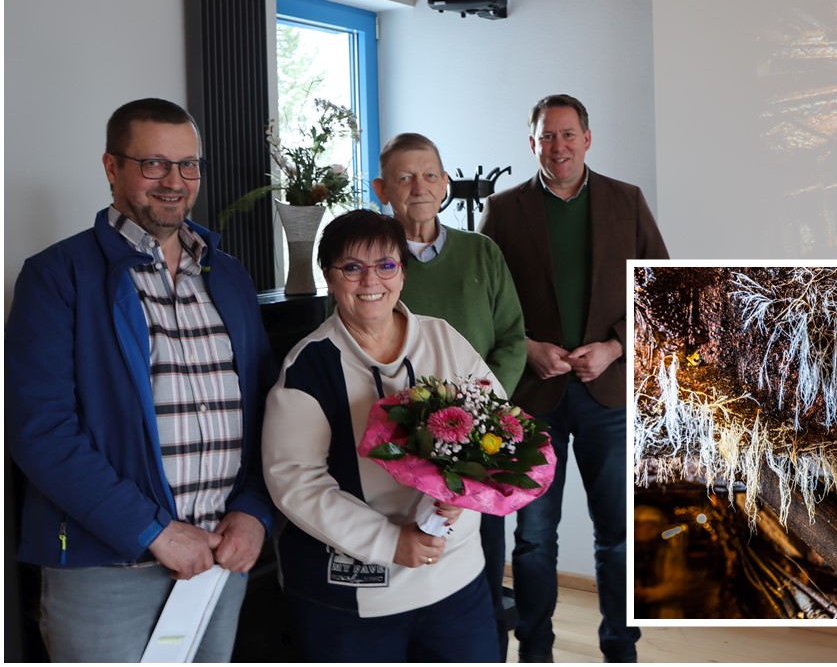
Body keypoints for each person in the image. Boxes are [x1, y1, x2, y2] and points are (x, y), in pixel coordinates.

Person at [5, 97, 275, 662]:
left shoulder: (227, 276)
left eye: (188, 165)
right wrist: (154, 530)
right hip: (105, 569)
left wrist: (252, 509)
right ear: (112, 168)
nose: (174, 182)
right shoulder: (57, 277)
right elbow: (40, 431)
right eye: (154, 164)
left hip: (220, 558)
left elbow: (264, 407)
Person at [479, 94, 669, 663]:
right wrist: (528, 347)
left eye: (567, 135)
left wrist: (614, 347)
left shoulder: (626, 202)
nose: (557, 146)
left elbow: (662, 293)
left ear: (588, 138)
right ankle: (535, 650)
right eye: (546, 136)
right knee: (534, 540)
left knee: (618, 535)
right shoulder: (504, 210)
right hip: (534, 397)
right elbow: (488, 302)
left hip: (607, 395)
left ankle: (620, 649)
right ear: (530, 142)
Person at [261, 210, 499, 662]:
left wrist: (465, 490)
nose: (371, 279)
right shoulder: (309, 367)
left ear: (402, 273)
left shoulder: (443, 338)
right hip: (356, 599)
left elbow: (498, 426)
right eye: (352, 267)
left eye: (386, 264)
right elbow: (297, 483)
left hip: (455, 581)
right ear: (330, 278)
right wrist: (392, 542)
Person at [372, 132, 526, 659]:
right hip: (400, 447)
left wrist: (479, 415)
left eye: (430, 175)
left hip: (475, 444)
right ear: (381, 189)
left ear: (446, 184)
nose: (420, 187)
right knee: (411, 571)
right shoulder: (372, 265)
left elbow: (511, 338)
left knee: (480, 571)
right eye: (405, 177)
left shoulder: (481, 252)